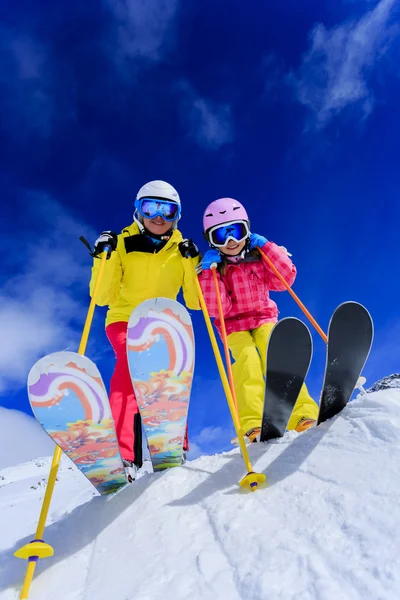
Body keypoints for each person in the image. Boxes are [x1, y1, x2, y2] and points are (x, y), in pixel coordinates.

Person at [89, 180, 200, 480]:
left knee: (169, 376)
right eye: (151, 207)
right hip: (125, 318)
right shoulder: (122, 243)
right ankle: (124, 454)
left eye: (168, 210)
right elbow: (103, 297)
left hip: (165, 322)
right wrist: (105, 256)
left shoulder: (181, 249)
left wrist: (192, 262)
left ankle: (172, 446)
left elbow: (194, 301)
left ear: (178, 215)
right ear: (138, 209)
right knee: (130, 369)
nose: (159, 217)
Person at [198, 197, 318, 443]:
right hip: (232, 325)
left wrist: (267, 247)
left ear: (247, 230)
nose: (231, 241)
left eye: (236, 231)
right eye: (221, 235)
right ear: (212, 241)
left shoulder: (259, 257)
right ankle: (252, 423)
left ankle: (302, 413)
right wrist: (208, 275)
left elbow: (284, 279)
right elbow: (216, 307)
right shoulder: (215, 268)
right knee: (247, 362)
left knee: (276, 355)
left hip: (264, 317)